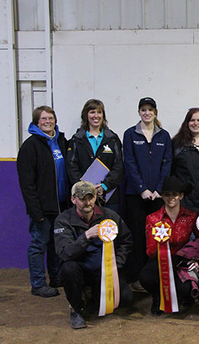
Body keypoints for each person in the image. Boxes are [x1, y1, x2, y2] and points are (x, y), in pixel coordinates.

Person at [54, 181, 132, 329]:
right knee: (67, 269)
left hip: (103, 271)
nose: (87, 202)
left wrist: (116, 264)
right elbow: (65, 252)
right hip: (79, 268)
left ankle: (93, 298)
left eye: (90, 197)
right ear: (73, 199)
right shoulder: (63, 220)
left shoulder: (109, 216)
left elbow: (126, 240)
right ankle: (77, 309)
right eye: (82, 198)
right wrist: (86, 236)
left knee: (126, 297)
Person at [17, 106, 69, 298]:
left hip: (61, 204)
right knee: (39, 244)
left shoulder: (62, 142)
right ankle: (38, 284)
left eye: (51, 118)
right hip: (42, 207)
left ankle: (56, 278)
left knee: (57, 244)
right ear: (37, 122)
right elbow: (27, 184)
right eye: (43, 118)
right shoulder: (30, 147)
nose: (48, 121)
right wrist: (35, 210)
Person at [123, 97, 172, 284]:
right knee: (137, 235)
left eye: (150, 109)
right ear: (138, 112)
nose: (147, 113)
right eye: (143, 109)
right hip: (135, 195)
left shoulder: (164, 136)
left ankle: (156, 276)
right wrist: (142, 189)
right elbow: (129, 162)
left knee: (157, 236)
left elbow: (167, 163)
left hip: (158, 196)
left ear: (155, 112)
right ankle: (136, 277)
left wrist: (159, 189)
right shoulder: (130, 134)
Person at [139, 176, 199, 316]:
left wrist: (194, 258)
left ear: (181, 195)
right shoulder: (153, 218)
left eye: (175, 194)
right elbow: (150, 251)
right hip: (159, 260)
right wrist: (162, 246)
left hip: (183, 261)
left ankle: (183, 296)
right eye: (167, 194)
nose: (171, 198)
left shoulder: (191, 216)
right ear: (162, 196)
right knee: (146, 277)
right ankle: (157, 298)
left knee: (185, 289)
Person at [67, 99, 123, 212]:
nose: (96, 116)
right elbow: (72, 166)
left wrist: (105, 186)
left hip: (108, 196)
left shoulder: (112, 138)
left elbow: (118, 166)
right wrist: (84, 188)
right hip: (84, 197)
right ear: (86, 115)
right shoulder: (77, 139)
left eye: (99, 112)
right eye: (92, 112)